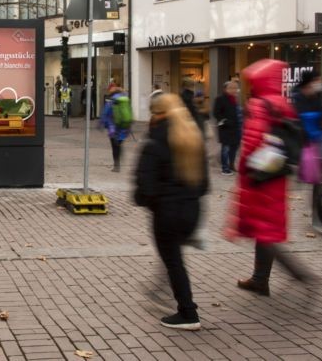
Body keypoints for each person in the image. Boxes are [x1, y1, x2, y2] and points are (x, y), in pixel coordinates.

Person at [228, 59, 314, 297]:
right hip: (277, 176)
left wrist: (243, 168)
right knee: (266, 228)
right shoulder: (282, 102)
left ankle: (301, 276)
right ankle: (259, 279)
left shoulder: (259, 104)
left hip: (260, 177)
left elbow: (253, 141)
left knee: (264, 231)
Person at [134, 93, 208, 330]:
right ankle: (165, 295)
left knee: (173, 261)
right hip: (192, 211)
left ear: (155, 113)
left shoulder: (155, 140)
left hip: (167, 213)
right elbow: (204, 183)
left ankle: (188, 312)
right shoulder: (192, 137)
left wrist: (150, 202)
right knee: (174, 259)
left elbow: (145, 186)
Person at [291, 70, 322, 226]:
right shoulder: (297, 98)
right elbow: (297, 123)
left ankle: (319, 214)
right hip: (307, 145)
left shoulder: (317, 96)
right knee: (318, 180)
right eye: (317, 80)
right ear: (309, 82)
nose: (319, 83)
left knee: (321, 181)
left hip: (321, 142)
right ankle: (318, 215)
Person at [213, 81, 243, 176]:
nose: (235, 90)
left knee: (234, 148)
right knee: (225, 148)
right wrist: (225, 121)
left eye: (236, 88)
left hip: (236, 128)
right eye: (232, 88)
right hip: (226, 128)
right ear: (226, 89)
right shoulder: (220, 99)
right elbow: (216, 113)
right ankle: (225, 168)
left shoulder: (235, 99)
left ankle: (231, 165)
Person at [100, 86, 132, 172]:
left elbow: (105, 113)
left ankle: (116, 165)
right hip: (124, 127)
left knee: (114, 147)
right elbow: (129, 113)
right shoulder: (125, 100)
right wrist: (129, 126)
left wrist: (102, 124)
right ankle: (120, 155)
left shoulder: (111, 101)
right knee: (119, 143)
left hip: (113, 127)